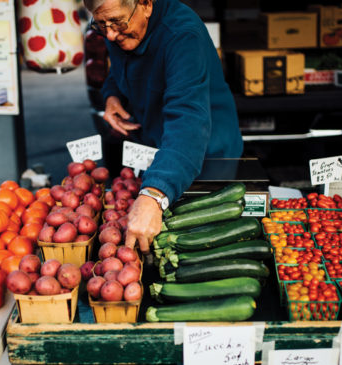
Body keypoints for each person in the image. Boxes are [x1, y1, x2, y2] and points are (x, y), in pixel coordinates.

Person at [83, 0, 243, 253]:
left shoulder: (182, 36)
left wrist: (155, 194)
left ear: (145, 4)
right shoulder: (119, 25)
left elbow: (188, 121)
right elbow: (119, 70)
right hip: (160, 148)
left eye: (117, 23)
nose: (111, 35)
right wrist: (112, 95)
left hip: (203, 153)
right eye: (101, 25)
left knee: (198, 249)